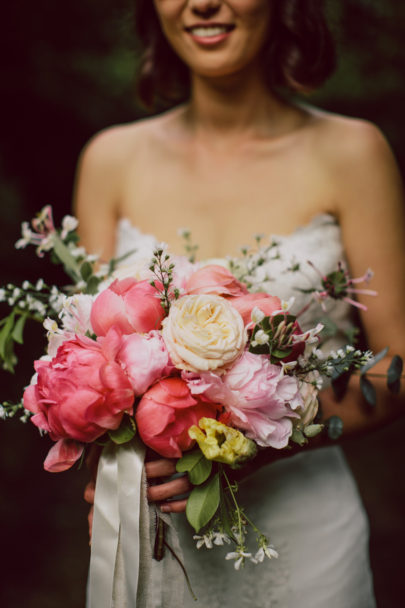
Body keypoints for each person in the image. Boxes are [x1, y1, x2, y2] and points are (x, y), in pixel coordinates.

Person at [75, 0, 405, 606]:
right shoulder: (109, 160)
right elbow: (85, 357)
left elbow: (396, 364)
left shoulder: (353, 153)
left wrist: (263, 437)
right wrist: (102, 454)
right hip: (152, 537)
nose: (202, 3)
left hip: (304, 544)